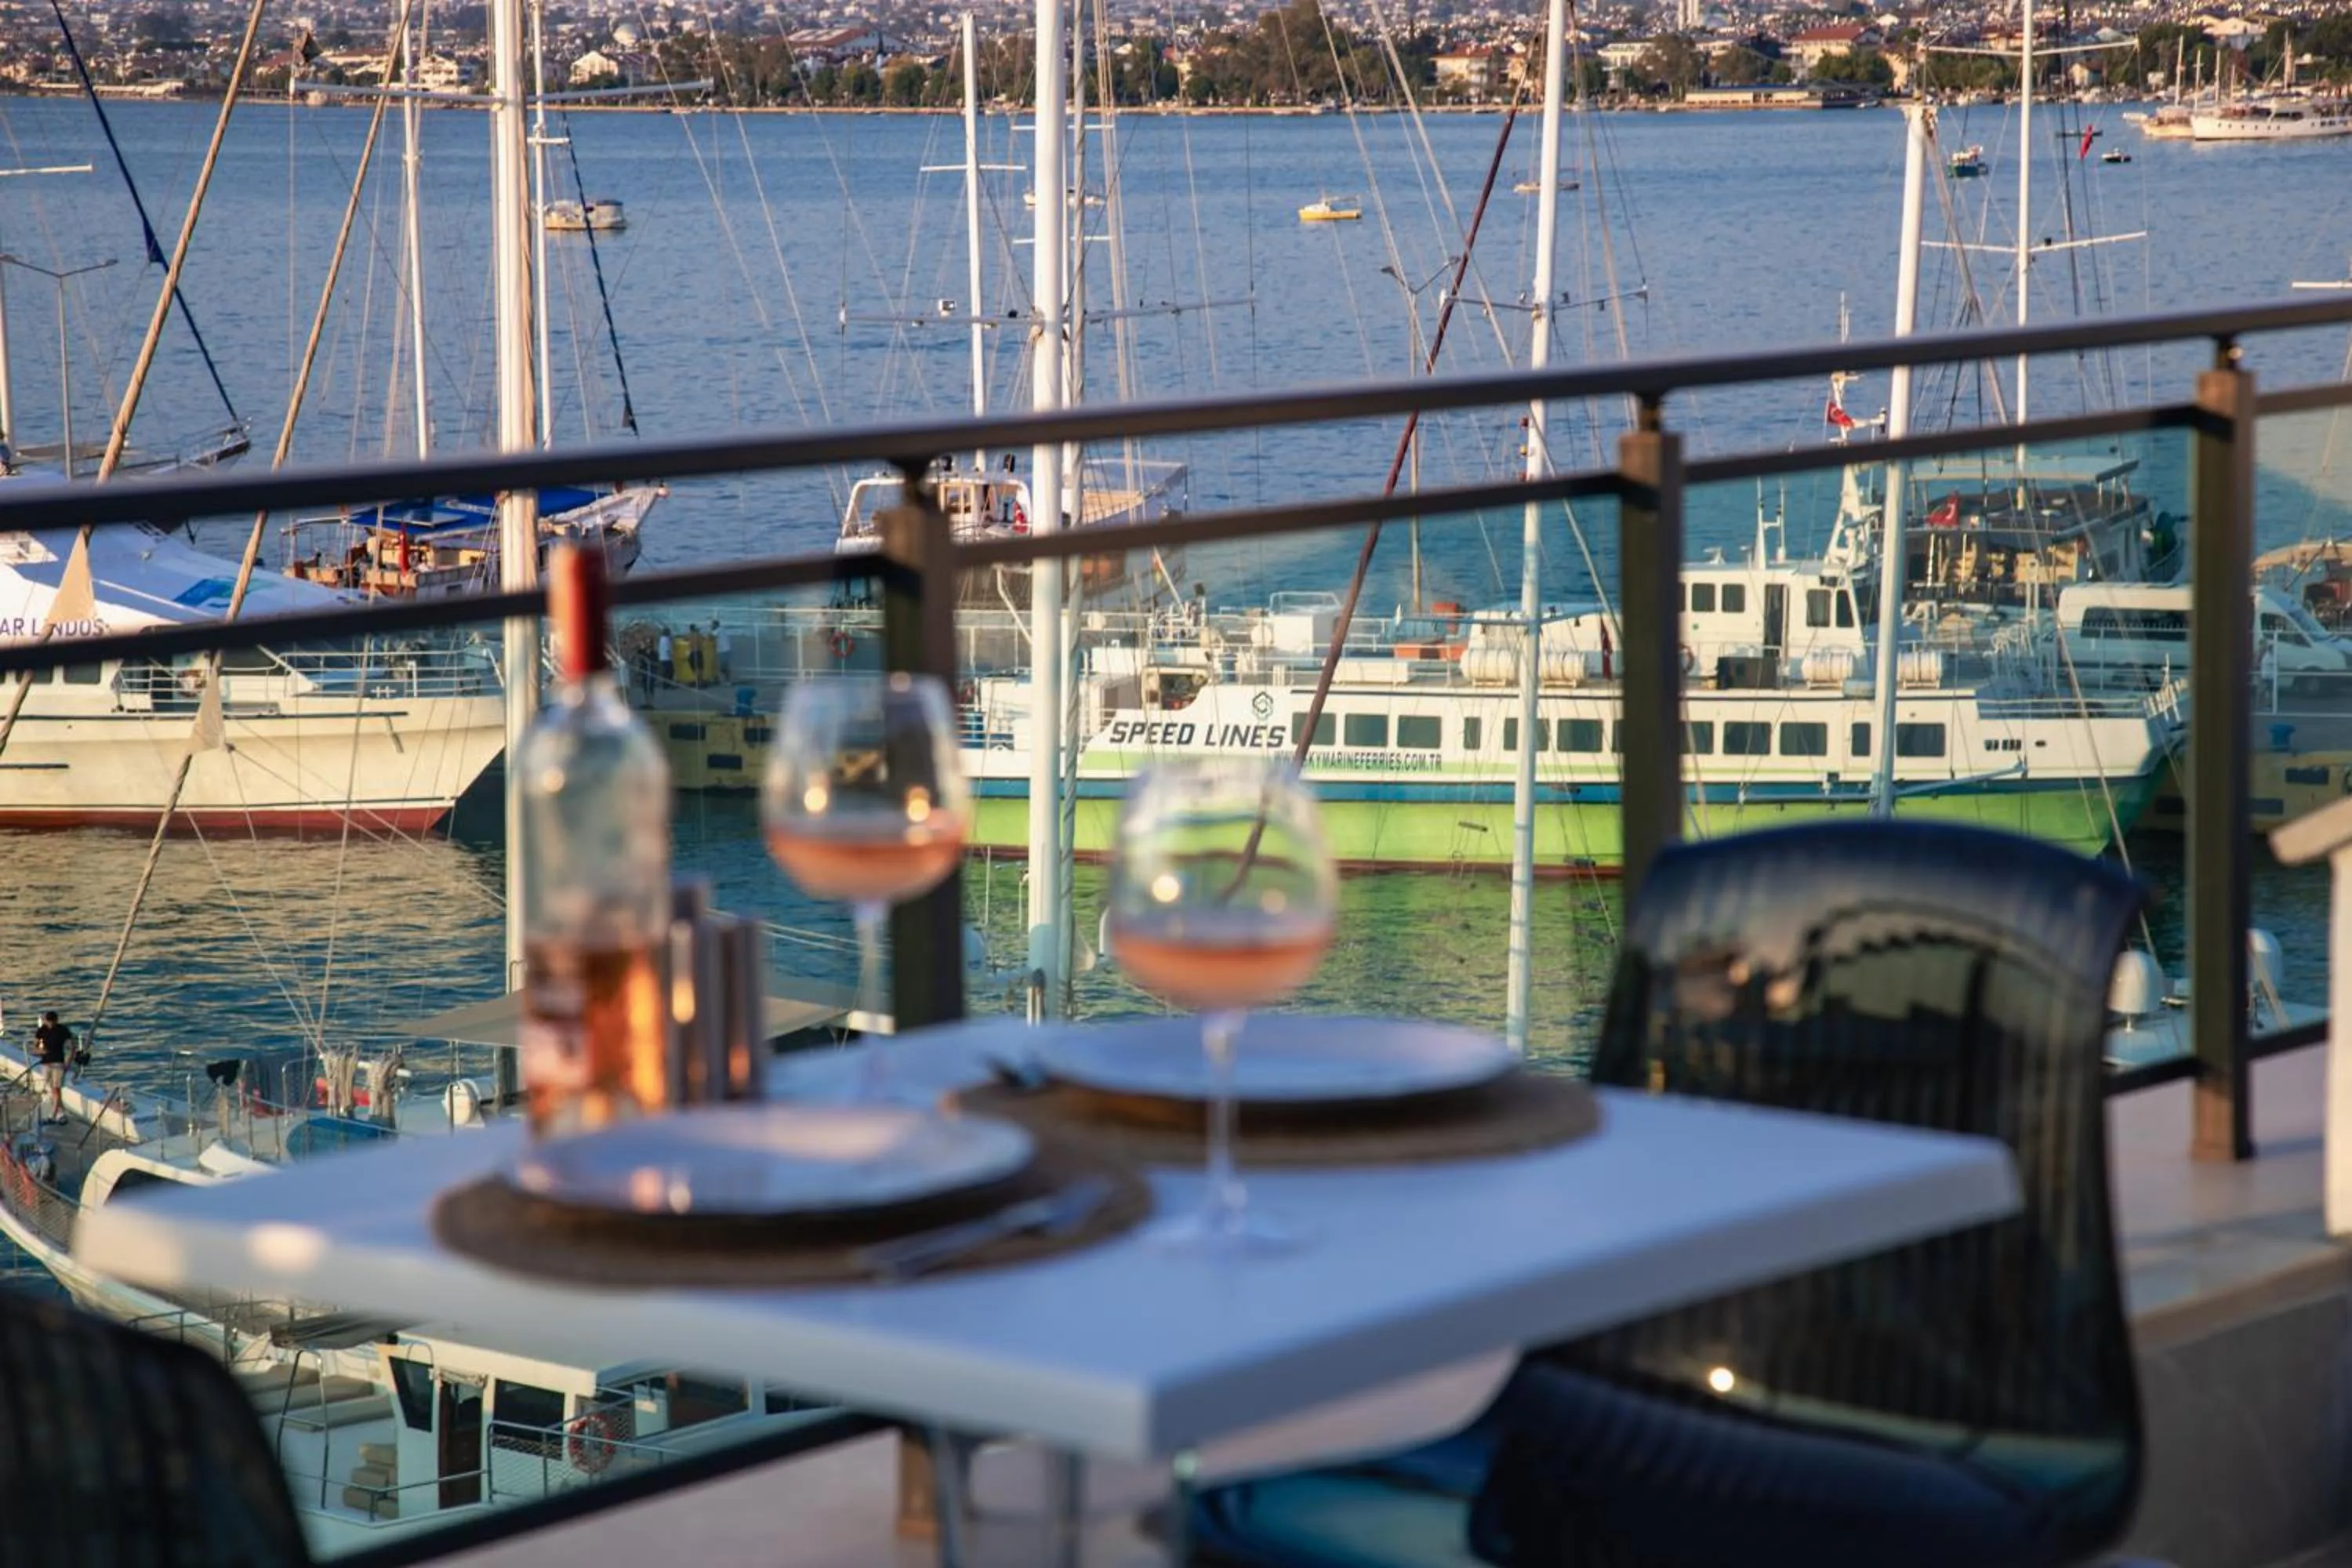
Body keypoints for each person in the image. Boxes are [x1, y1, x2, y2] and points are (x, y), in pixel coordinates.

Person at [33, 1011, 72, 1125]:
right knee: (52, 1089)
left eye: (51, 1021)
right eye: (47, 1021)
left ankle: (53, 1115)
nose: (49, 1024)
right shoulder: (42, 1030)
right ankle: (61, 1113)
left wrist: (68, 1063)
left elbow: (72, 1047)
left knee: (56, 1089)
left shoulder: (62, 1030)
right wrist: (41, 1051)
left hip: (58, 1063)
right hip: (46, 1063)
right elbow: (34, 1047)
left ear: (56, 1020)